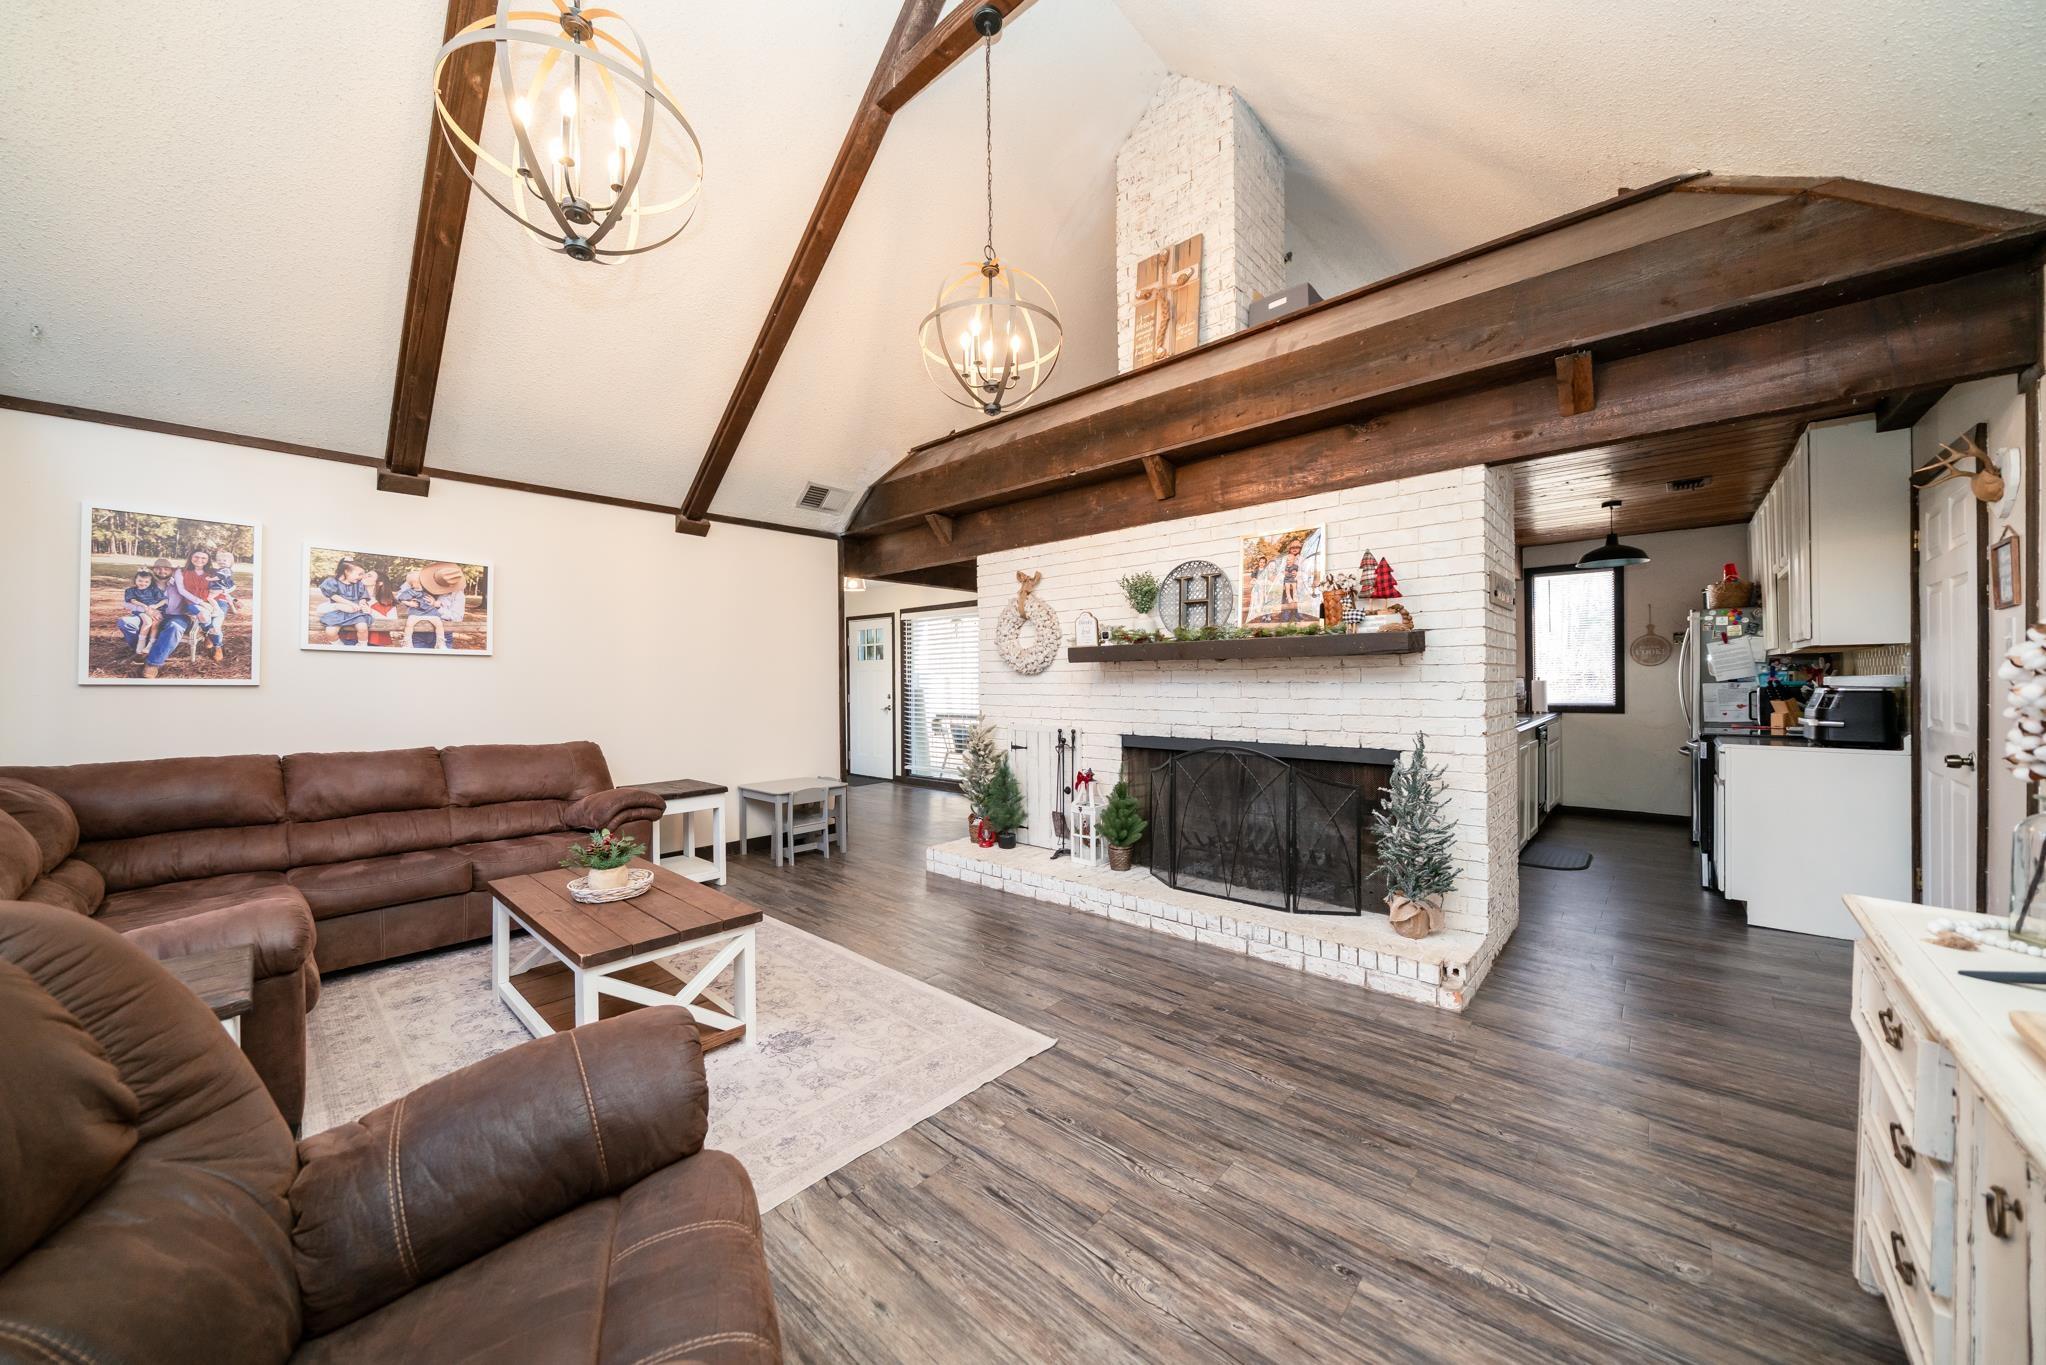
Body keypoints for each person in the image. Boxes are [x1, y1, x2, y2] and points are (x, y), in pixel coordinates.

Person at [396, 562, 468, 649]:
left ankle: (440, 643)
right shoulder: (418, 579)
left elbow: (457, 618)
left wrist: (437, 607)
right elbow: (398, 597)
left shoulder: (457, 594)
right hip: (418, 630)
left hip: (443, 633)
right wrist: (411, 602)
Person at [316, 557, 374, 645]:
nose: (361, 577)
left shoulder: (359, 584)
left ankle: (362, 646)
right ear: (347, 571)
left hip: (356, 611)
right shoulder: (332, 581)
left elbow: (363, 597)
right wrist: (350, 603)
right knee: (330, 632)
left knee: (362, 627)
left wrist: (363, 602)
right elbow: (334, 596)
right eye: (359, 574)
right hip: (339, 611)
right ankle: (340, 646)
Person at [117, 568, 166, 658]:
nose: (143, 583)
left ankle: (151, 644)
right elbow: (133, 600)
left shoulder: (154, 590)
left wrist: (155, 606)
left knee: (156, 622)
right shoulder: (131, 590)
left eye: (146, 582)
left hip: (155, 610)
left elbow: (164, 600)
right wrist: (144, 606)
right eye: (140, 581)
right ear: (135, 579)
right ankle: (141, 642)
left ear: (150, 582)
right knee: (147, 622)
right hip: (141, 611)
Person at [360, 568, 400, 647]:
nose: (364, 576)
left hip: (376, 641)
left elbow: (393, 623)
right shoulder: (353, 597)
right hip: (354, 639)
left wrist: (371, 612)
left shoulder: (387, 601)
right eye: (365, 574)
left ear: (380, 583)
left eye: (369, 575)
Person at [208, 548, 241, 619]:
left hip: (220, 587)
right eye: (219, 560)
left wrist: (210, 579)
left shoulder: (226, 570)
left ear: (230, 562)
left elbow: (219, 577)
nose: (221, 562)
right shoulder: (222, 569)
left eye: (224, 560)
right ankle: (233, 608)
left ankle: (216, 609)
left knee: (210, 597)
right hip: (223, 587)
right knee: (226, 596)